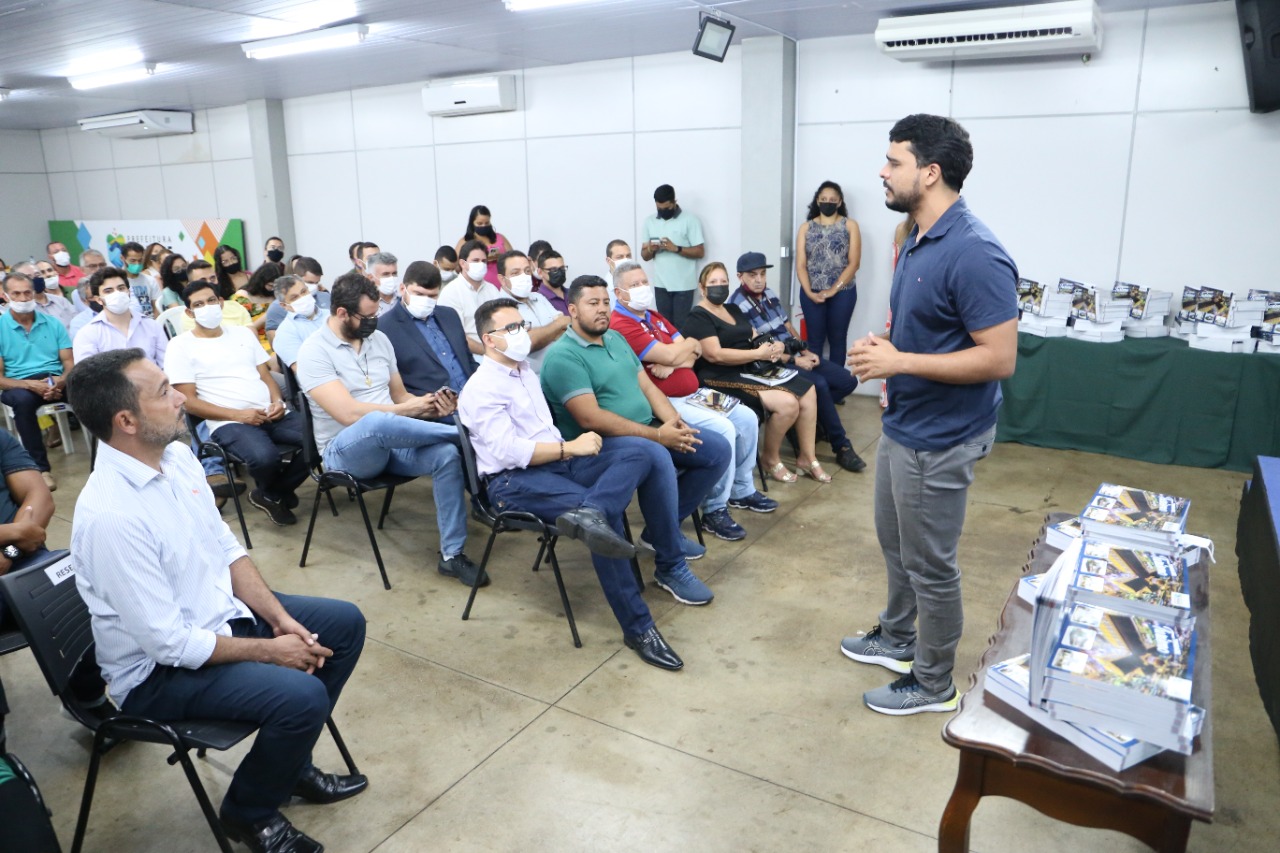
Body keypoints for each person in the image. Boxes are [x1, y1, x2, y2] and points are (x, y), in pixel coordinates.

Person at [66, 348, 367, 853]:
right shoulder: (112, 517)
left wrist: (279, 618)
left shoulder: (177, 458)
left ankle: (287, 767)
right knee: (301, 696)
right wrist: (272, 651)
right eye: (164, 392)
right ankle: (250, 813)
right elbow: (169, 644)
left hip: (216, 617)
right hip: (158, 675)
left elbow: (225, 549)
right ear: (126, 421)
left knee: (342, 624)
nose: (181, 399)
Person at [843, 114, 1018, 716]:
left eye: (894, 162)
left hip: (940, 439)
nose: (883, 171)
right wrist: (887, 350)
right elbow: (929, 331)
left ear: (930, 172)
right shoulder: (916, 237)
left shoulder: (975, 253)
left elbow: (999, 358)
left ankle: (933, 680)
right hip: (903, 424)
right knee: (897, 547)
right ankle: (897, 638)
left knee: (930, 566)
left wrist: (900, 362)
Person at [459, 298, 696, 670]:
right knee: (606, 522)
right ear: (489, 339)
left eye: (523, 325)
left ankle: (597, 513)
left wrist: (568, 451)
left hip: (560, 463)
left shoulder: (524, 371)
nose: (522, 333)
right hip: (514, 481)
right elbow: (508, 452)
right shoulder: (481, 388)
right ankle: (639, 629)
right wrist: (569, 447)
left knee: (645, 451)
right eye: (512, 328)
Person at [296, 273, 484, 587]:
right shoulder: (313, 351)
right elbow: (348, 414)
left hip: (392, 439)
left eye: (376, 315)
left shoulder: (379, 340)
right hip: (345, 451)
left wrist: (427, 405)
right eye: (368, 317)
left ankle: (452, 555)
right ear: (342, 313)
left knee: (446, 455)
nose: (374, 321)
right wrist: (407, 411)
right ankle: (472, 436)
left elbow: (400, 397)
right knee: (374, 422)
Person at [541, 276, 732, 570]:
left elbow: (647, 387)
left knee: (716, 449)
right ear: (573, 310)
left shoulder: (616, 338)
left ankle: (660, 531)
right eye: (593, 303)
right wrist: (658, 437)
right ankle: (670, 562)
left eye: (606, 302)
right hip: (600, 446)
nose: (602, 309)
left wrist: (674, 423)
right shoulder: (563, 355)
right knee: (656, 455)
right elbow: (590, 418)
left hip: (647, 430)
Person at [609, 261, 775, 541]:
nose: (642, 288)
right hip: (666, 401)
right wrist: (679, 353)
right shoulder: (621, 324)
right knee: (724, 429)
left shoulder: (653, 316)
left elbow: (693, 350)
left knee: (746, 417)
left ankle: (742, 490)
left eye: (644, 282)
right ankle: (715, 509)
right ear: (619, 292)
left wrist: (676, 358)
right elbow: (680, 350)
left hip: (694, 393)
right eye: (634, 285)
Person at [0, 429, 110, 756]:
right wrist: (13, 532)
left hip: (20, 560)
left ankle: (88, 696)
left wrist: (8, 551)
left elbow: (39, 496)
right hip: (17, 546)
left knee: (80, 582)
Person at [166, 281, 309, 526]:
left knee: (320, 440)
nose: (207, 307)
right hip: (229, 422)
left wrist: (277, 401)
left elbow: (266, 377)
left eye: (211, 300)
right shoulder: (180, 346)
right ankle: (275, 493)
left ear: (221, 302)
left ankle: (271, 493)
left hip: (271, 413)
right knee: (264, 458)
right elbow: (188, 402)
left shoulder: (242, 334)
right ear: (189, 313)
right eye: (198, 304)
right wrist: (239, 415)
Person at [730, 251, 866, 475]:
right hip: (773, 362)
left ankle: (808, 421)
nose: (759, 280)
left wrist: (805, 350)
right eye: (752, 275)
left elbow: (787, 326)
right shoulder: (736, 306)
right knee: (819, 384)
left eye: (762, 274)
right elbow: (759, 350)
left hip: (794, 352)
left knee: (847, 381)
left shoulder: (769, 294)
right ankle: (841, 446)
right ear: (740, 276)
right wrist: (795, 360)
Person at [683, 263, 820, 485]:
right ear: (702, 287)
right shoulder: (698, 316)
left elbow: (755, 336)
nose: (719, 286)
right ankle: (770, 458)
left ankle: (807, 457)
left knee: (808, 389)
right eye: (713, 282)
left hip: (748, 367)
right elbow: (715, 355)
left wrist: (774, 346)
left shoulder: (733, 309)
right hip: (718, 376)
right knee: (788, 404)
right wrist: (757, 353)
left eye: (723, 282)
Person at [0, 271, 72, 491]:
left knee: (88, 391)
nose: (23, 299)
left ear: (34, 292)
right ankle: (41, 470)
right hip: (19, 383)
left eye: (27, 293)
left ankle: (107, 456)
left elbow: (69, 363)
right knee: (23, 403)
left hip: (54, 378)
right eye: (16, 294)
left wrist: (60, 381)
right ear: (5, 295)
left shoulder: (53, 323)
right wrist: (31, 385)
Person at [376, 261, 474, 411]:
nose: (425, 300)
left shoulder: (449, 315)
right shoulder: (384, 327)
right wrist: (427, 406)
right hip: (433, 410)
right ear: (402, 289)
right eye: (419, 294)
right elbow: (393, 387)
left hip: (474, 399)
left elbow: (468, 361)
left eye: (432, 296)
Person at [797, 180, 862, 362]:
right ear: (817, 201)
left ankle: (837, 380)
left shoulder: (850, 225)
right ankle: (816, 380)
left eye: (833, 200)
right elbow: (801, 264)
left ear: (839, 202)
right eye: (824, 199)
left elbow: (854, 263)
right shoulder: (806, 227)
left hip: (843, 291)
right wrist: (809, 292)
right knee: (814, 341)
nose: (828, 202)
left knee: (838, 339)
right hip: (812, 291)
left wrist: (833, 290)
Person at [72, 267, 168, 367]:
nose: (117, 293)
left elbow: (166, 366)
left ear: (129, 292)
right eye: (108, 291)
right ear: (99, 300)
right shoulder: (87, 334)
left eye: (121, 288)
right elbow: (86, 374)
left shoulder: (152, 326)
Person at [639, 184, 704, 329]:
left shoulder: (690, 220)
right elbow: (644, 256)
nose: (663, 211)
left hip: (684, 286)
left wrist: (676, 248)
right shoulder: (649, 222)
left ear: (674, 202)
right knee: (664, 327)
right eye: (659, 208)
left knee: (681, 327)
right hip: (660, 285)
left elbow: (700, 251)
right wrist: (651, 249)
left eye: (666, 208)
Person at [495, 251, 569, 373]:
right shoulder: (499, 309)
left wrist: (541, 334)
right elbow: (527, 344)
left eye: (527, 271)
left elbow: (566, 327)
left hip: (560, 370)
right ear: (502, 279)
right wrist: (557, 325)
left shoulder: (538, 297)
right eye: (515, 273)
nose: (523, 276)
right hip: (532, 378)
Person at [437, 239, 498, 358]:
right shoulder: (451, 292)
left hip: (497, 352)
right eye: (476, 261)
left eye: (484, 261)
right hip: (468, 357)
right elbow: (455, 335)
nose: (481, 264)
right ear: (462, 264)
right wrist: (488, 352)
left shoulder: (493, 290)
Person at [265, 257, 329, 341]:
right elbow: (274, 341)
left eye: (317, 282)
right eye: (310, 282)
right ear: (296, 277)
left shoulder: (326, 297)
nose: (314, 286)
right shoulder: (277, 308)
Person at [272, 276, 327, 370]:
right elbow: (304, 371)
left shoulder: (331, 315)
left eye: (304, 291)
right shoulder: (285, 333)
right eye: (295, 297)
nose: (303, 298)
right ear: (284, 305)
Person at [454, 205, 511, 289]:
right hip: (477, 287)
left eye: (487, 223)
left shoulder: (500, 237)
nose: (483, 226)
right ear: (472, 223)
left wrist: (500, 256)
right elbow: (456, 266)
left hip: (503, 285)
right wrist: (480, 260)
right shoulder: (465, 241)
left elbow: (513, 257)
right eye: (479, 223)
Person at [234, 264, 280, 354]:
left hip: (277, 338)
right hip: (255, 341)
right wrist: (266, 317)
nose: (272, 289)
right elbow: (242, 331)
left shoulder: (276, 296)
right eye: (270, 285)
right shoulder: (243, 296)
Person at [28, 261, 78, 329]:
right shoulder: (36, 303)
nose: (48, 274)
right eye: (42, 272)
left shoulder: (73, 292)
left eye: (50, 270)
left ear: (56, 272)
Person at [120, 241, 158, 318]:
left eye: (140, 260)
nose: (137, 264)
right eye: (133, 261)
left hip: (149, 321)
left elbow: (156, 308)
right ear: (123, 258)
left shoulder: (150, 280)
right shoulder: (118, 282)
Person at [363, 251, 401, 317]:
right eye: (386, 274)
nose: (391, 278)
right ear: (371, 278)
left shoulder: (405, 299)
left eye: (394, 273)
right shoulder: (364, 304)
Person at [535, 249, 570, 315]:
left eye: (562, 268)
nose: (559, 273)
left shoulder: (573, 294)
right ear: (540, 272)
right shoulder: (538, 301)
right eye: (553, 270)